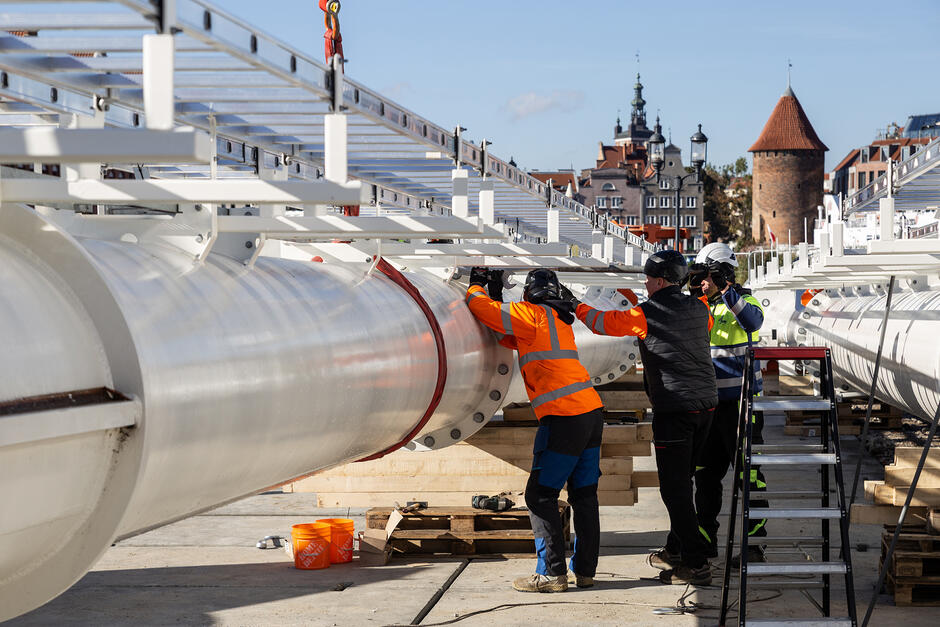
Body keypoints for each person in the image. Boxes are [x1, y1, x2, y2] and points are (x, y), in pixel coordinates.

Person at [571, 250, 717, 586]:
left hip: (675, 410)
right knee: (685, 481)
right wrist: (626, 296)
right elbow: (682, 319)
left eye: (649, 279)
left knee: (674, 488)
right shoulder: (699, 308)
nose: (645, 283)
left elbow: (601, 323)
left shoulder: (645, 314)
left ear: (661, 280)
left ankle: (695, 565)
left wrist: (575, 303)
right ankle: (677, 549)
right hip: (705, 407)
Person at [465, 267, 605, 593]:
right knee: (584, 496)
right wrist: (497, 292)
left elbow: (480, 308)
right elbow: (504, 333)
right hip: (590, 414)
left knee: (539, 496)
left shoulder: (531, 314)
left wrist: (477, 284)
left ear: (528, 295)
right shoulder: (557, 321)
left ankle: (551, 574)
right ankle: (584, 572)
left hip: (564, 417)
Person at [688, 242, 767, 564]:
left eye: (706, 276)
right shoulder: (700, 306)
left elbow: (753, 322)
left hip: (743, 409)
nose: (702, 282)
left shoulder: (744, 301)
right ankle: (706, 542)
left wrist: (726, 291)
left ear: (721, 274)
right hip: (710, 406)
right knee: (705, 477)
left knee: (749, 476)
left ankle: (753, 546)